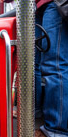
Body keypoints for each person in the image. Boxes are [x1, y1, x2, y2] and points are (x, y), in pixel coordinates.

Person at [35, 0, 68, 136]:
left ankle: (56, 128)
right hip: (37, 6)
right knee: (34, 63)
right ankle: (34, 109)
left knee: (54, 64)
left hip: (54, 3)